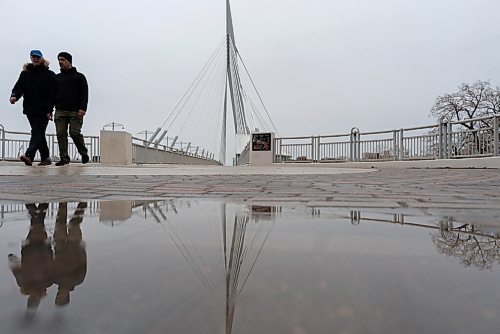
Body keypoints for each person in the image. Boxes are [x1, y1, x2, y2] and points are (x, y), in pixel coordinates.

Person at [10, 50, 56, 166]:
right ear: (31, 58)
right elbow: (19, 86)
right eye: (34, 57)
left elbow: (54, 92)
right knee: (38, 133)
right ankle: (46, 158)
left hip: (44, 109)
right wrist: (14, 96)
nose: (35, 59)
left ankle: (29, 155)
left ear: (42, 59)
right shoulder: (25, 74)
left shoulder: (49, 75)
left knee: (37, 132)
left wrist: (51, 109)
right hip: (30, 108)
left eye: (38, 57)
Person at [8, 203, 53, 310]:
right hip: (35, 249)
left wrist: (12, 259)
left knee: (38, 227)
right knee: (38, 227)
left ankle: (38, 208)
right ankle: (36, 209)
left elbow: (17, 270)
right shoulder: (28, 283)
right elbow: (52, 264)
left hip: (37, 249)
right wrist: (12, 259)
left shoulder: (44, 282)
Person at [50, 52, 89, 166]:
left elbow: (84, 94)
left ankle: (83, 152)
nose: (60, 62)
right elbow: (52, 95)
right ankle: (64, 158)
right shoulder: (57, 78)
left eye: (62, 60)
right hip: (60, 110)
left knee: (74, 132)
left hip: (75, 111)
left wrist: (83, 108)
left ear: (69, 61)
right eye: (59, 60)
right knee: (60, 134)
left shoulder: (79, 77)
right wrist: (49, 110)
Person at [53, 202, 87, 307]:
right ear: (67, 296)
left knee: (60, 223)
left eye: (57, 297)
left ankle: (62, 203)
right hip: (74, 247)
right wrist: (81, 248)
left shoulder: (55, 279)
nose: (59, 295)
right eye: (61, 297)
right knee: (74, 224)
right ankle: (82, 206)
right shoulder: (78, 280)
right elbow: (83, 263)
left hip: (59, 247)